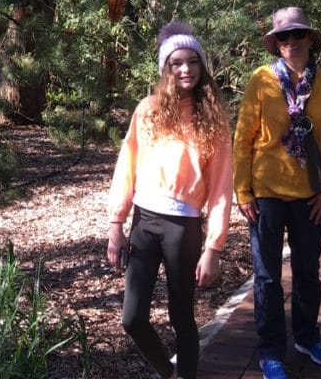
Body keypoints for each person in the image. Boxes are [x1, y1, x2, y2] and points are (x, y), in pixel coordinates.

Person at [107, 22, 233, 379]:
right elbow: (126, 168)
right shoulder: (146, 110)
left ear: (202, 66)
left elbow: (222, 186)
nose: (185, 69)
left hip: (183, 226)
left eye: (193, 62)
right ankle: (168, 372)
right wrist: (116, 224)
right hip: (144, 222)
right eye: (176, 62)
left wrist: (214, 247)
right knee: (132, 318)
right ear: (165, 68)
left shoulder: (214, 119)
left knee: (182, 317)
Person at [233, 7, 321, 379]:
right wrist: (243, 191)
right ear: (276, 44)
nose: (291, 42)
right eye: (283, 37)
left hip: (311, 196)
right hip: (266, 195)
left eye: (297, 34)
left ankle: (307, 336)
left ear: (310, 39)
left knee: (307, 272)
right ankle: (271, 352)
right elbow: (243, 138)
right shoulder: (261, 80)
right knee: (267, 277)